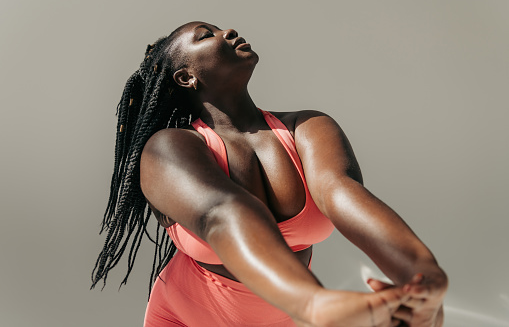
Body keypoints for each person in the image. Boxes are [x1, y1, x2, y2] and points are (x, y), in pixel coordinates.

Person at [91, 21, 448, 326]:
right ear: (186, 77)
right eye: (206, 35)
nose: (229, 30)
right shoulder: (168, 148)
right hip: (190, 317)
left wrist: (421, 277)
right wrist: (313, 304)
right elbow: (221, 214)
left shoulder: (308, 127)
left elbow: (340, 192)